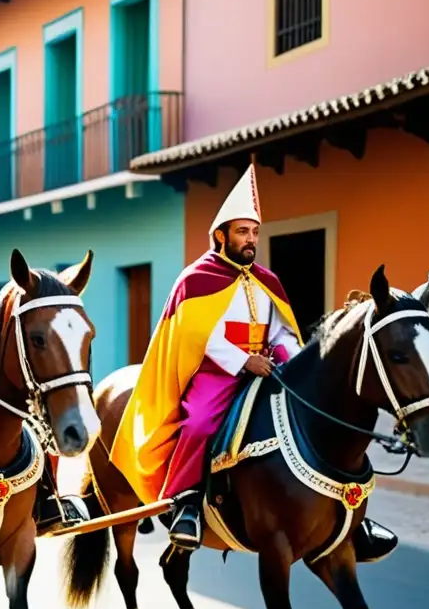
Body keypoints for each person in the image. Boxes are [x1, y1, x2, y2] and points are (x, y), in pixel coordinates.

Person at [110, 164, 397, 563]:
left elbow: (280, 332)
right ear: (221, 235)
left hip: (267, 367)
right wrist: (244, 361)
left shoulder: (266, 280)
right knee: (199, 424)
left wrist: (297, 366)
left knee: (321, 419)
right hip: (216, 372)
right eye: (242, 231)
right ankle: (188, 504)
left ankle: (353, 517)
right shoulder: (195, 279)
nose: (250, 240)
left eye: (255, 232)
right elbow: (198, 336)